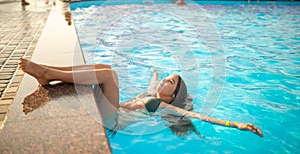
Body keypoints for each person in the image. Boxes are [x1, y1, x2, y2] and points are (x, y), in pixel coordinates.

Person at [19, 58, 263, 138]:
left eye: (171, 82)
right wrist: (155, 72)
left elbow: (197, 116)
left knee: (109, 75)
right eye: (167, 77)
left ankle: (47, 73)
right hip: (109, 114)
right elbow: (152, 83)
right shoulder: (151, 94)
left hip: (112, 122)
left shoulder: (163, 105)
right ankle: (47, 73)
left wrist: (236, 124)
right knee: (104, 67)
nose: (166, 80)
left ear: (173, 95)